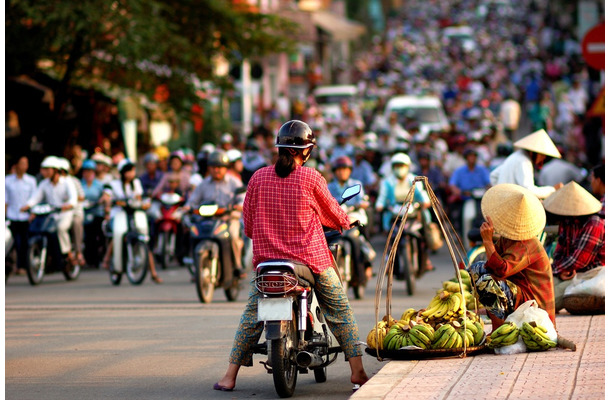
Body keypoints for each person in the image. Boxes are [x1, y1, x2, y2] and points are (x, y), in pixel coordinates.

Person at [214, 120, 368, 392]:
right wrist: (348, 221)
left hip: (267, 264)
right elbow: (333, 215)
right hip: (309, 261)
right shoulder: (312, 178)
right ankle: (357, 372)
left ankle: (229, 376)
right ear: (306, 151)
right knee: (340, 311)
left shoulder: (258, 178)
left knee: (251, 317)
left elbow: (248, 225)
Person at [468, 184, 556, 330]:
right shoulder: (508, 238)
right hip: (522, 298)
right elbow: (491, 264)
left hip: (536, 311)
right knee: (477, 269)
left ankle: (498, 331)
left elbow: (501, 271)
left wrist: (488, 241)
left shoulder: (526, 244)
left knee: (488, 282)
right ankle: (502, 323)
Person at [542, 181, 604, 311]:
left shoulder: (594, 223)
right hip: (570, 271)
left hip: (591, 274)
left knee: (547, 300)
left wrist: (555, 270)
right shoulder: (567, 221)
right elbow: (559, 252)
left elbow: (579, 260)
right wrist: (559, 271)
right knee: (539, 288)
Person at [101, 159, 162, 283]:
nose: (131, 174)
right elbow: (106, 196)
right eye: (128, 171)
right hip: (118, 214)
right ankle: (107, 259)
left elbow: (139, 198)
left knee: (144, 238)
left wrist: (144, 203)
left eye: (132, 171)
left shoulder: (136, 183)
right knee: (117, 233)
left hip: (134, 214)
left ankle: (153, 272)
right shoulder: (114, 184)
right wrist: (108, 201)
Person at [185, 150, 244, 274]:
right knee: (193, 231)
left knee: (233, 235)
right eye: (213, 167)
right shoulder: (203, 184)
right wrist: (187, 207)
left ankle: (238, 266)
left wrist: (238, 206)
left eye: (219, 167)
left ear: (225, 168)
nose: (216, 170)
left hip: (228, 218)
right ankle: (193, 260)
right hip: (208, 219)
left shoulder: (234, 182)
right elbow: (193, 200)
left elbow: (242, 198)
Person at [21, 156, 78, 265]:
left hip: (65, 213)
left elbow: (73, 199)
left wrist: (68, 205)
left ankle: (67, 253)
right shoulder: (44, 183)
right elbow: (36, 197)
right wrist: (27, 206)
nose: (44, 172)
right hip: (50, 214)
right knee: (40, 229)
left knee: (61, 228)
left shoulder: (67, 182)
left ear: (55, 170)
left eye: (47, 169)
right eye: (44, 169)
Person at [490, 129, 563, 198]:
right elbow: (529, 190)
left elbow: (494, 175)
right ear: (535, 152)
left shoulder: (516, 156)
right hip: (512, 204)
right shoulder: (524, 161)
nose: (543, 158)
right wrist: (552, 190)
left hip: (504, 201)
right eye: (542, 155)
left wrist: (501, 193)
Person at [5, 156, 38, 275]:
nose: (24, 166)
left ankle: (22, 266)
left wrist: (33, 212)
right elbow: (5, 200)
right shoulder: (7, 180)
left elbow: (34, 198)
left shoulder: (31, 181)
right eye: (22, 163)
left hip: (25, 217)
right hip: (12, 216)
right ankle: (9, 266)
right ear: (16, 165)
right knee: (10, 243)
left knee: (24, 243)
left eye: (26, 163)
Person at [81, 159, 106, 268]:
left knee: (98, 235)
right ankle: (88, 259)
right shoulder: (80, 184)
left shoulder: (99, 184)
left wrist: (102, 199)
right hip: (84, 212)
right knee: (87, 237)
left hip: (97, 212)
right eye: (86, 171)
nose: (88, 174)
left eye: (90, 171)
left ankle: (98, 258)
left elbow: (105, 195)